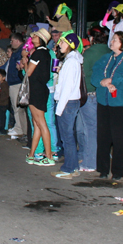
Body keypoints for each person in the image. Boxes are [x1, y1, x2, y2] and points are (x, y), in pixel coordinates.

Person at [91, 31, 123, 180]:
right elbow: (95, 74)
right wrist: (102, 82)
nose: (112, 42)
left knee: (118, 138)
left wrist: (112, 81)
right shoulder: (105, 58)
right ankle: (103, 169)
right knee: (103, 137)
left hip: (121, 104)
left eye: (115, 40)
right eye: (112, 39)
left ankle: (118, 171)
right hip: (104, 102)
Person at [51, 32, 83, 179]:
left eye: (63, 42)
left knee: (67, 137)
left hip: (67, 102)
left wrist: (59, 108)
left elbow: (67, 87)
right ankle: (73, 166)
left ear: (70, 45)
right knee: (69, 136)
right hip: (70, 102)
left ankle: (68, 169)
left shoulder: (71, 62)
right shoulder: (71, 61)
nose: (60, 45)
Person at [78, 29, 109, 172]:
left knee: (89, 129)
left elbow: (82, 72)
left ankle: (90, 163)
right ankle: (99, 158)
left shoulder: (89, 53)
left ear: (91, 38)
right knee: (99, 127)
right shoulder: (109, 51)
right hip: (104, 93)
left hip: (89, 92)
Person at [24, 28, 55, 166]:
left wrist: (25, 60)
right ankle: (31, 155)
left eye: (35, 36)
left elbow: (28, 72)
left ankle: (49, 156)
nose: (33, 38)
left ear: (40, 38)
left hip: (35, 90)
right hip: (42, 89)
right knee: (37, 124)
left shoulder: (38, 53)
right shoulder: (47, 53)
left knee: (41, 123)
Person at [5, 33, 27, 141]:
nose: (11, 43)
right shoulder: (17, 51)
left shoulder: (20, 52)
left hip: (16, 82)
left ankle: (19, 128)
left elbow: (19, 67)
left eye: (12, 41)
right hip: (14, 82)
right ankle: (21, 128)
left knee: (17, 107)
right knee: (17, 107)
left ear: (17, 41)